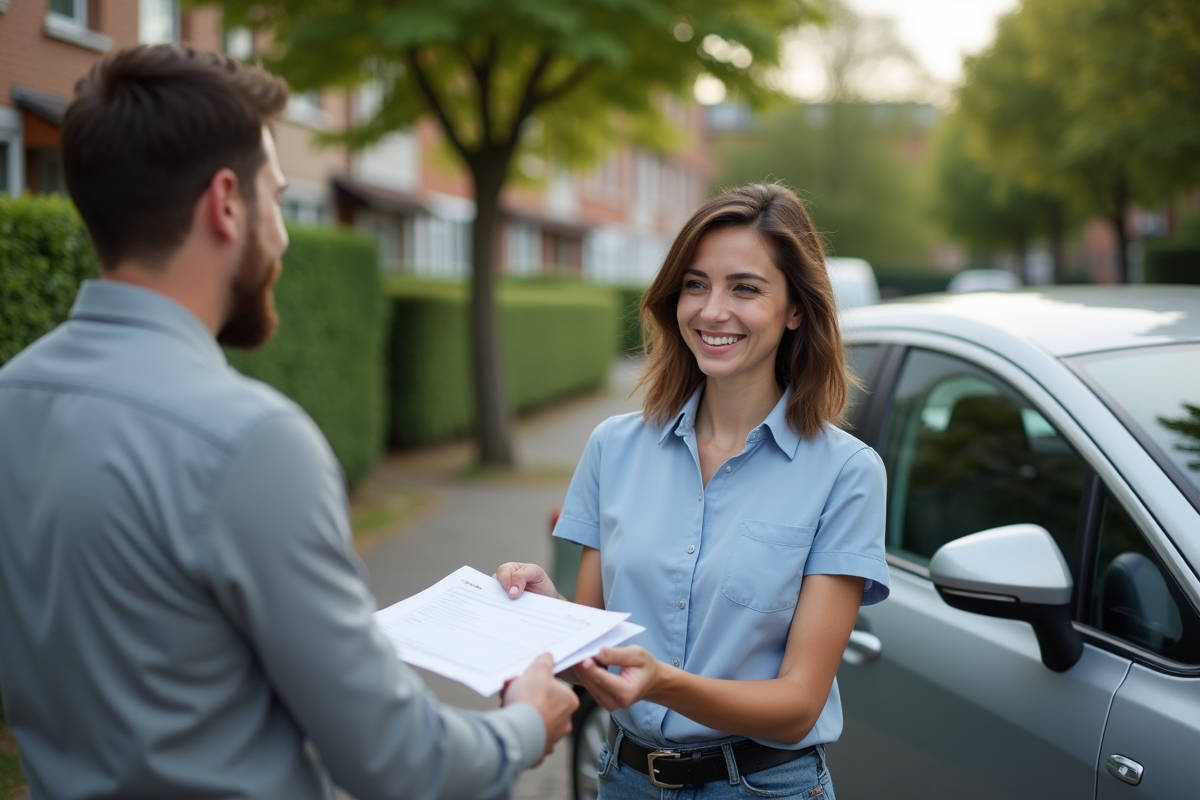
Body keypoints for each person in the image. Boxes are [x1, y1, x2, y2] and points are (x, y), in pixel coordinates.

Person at [0, 44, 576, 800]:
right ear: (226, 202)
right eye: (277, 198)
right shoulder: (251, 441)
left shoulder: (14, 396)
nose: (285, 235)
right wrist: (527, 723)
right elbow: (397, 762)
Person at [498, 184, 889, 799]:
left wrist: (660, 684)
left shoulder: (846, 474)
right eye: (696, 284)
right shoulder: (613, 447)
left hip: (763, 788)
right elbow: (593, 655)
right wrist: (547, 615)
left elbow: (797, 705)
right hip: (624, 780)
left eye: (745, 288)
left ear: (795, 309)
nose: (711, 311)